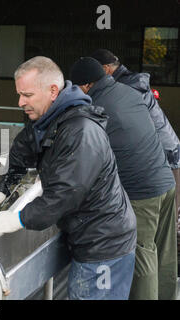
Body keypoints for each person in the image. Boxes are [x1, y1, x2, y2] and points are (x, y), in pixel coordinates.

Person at [0, 56, 137, 300]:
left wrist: (19, 219)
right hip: (86, 235)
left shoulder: (81, 131)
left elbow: (66, 193)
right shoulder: (47, 120)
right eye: (19, 94)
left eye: (28, 95)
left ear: (53, 90)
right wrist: (4, 188)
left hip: (104, 245)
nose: (21, 102)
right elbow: (23, 149)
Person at [70, 57, 177, 300]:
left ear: (86, 86)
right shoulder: (128, 92)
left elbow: (88, 155)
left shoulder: (96, 105)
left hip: (142, 192)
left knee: (142, 254)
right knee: (164, 251)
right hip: (165, 181)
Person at [90, 49, 180, 217]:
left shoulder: (126, 87)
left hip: (163, 152)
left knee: (162, 217)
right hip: (167, 148)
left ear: (106, 69)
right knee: (165, 218)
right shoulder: (129, 82)